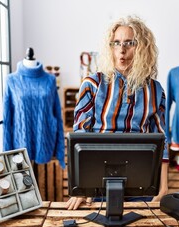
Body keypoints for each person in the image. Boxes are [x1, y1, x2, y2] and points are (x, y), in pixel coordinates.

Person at [65, 15, 169, 210]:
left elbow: (162, 140)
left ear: (142, 48)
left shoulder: (155, 90)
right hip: (96, 185)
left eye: (129, 43)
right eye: (116, 43)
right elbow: (79, 138)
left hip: (142, 184)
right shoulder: (92, 84)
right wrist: (81, 189)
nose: (122, 49)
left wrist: (163, 187)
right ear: (110, 47)